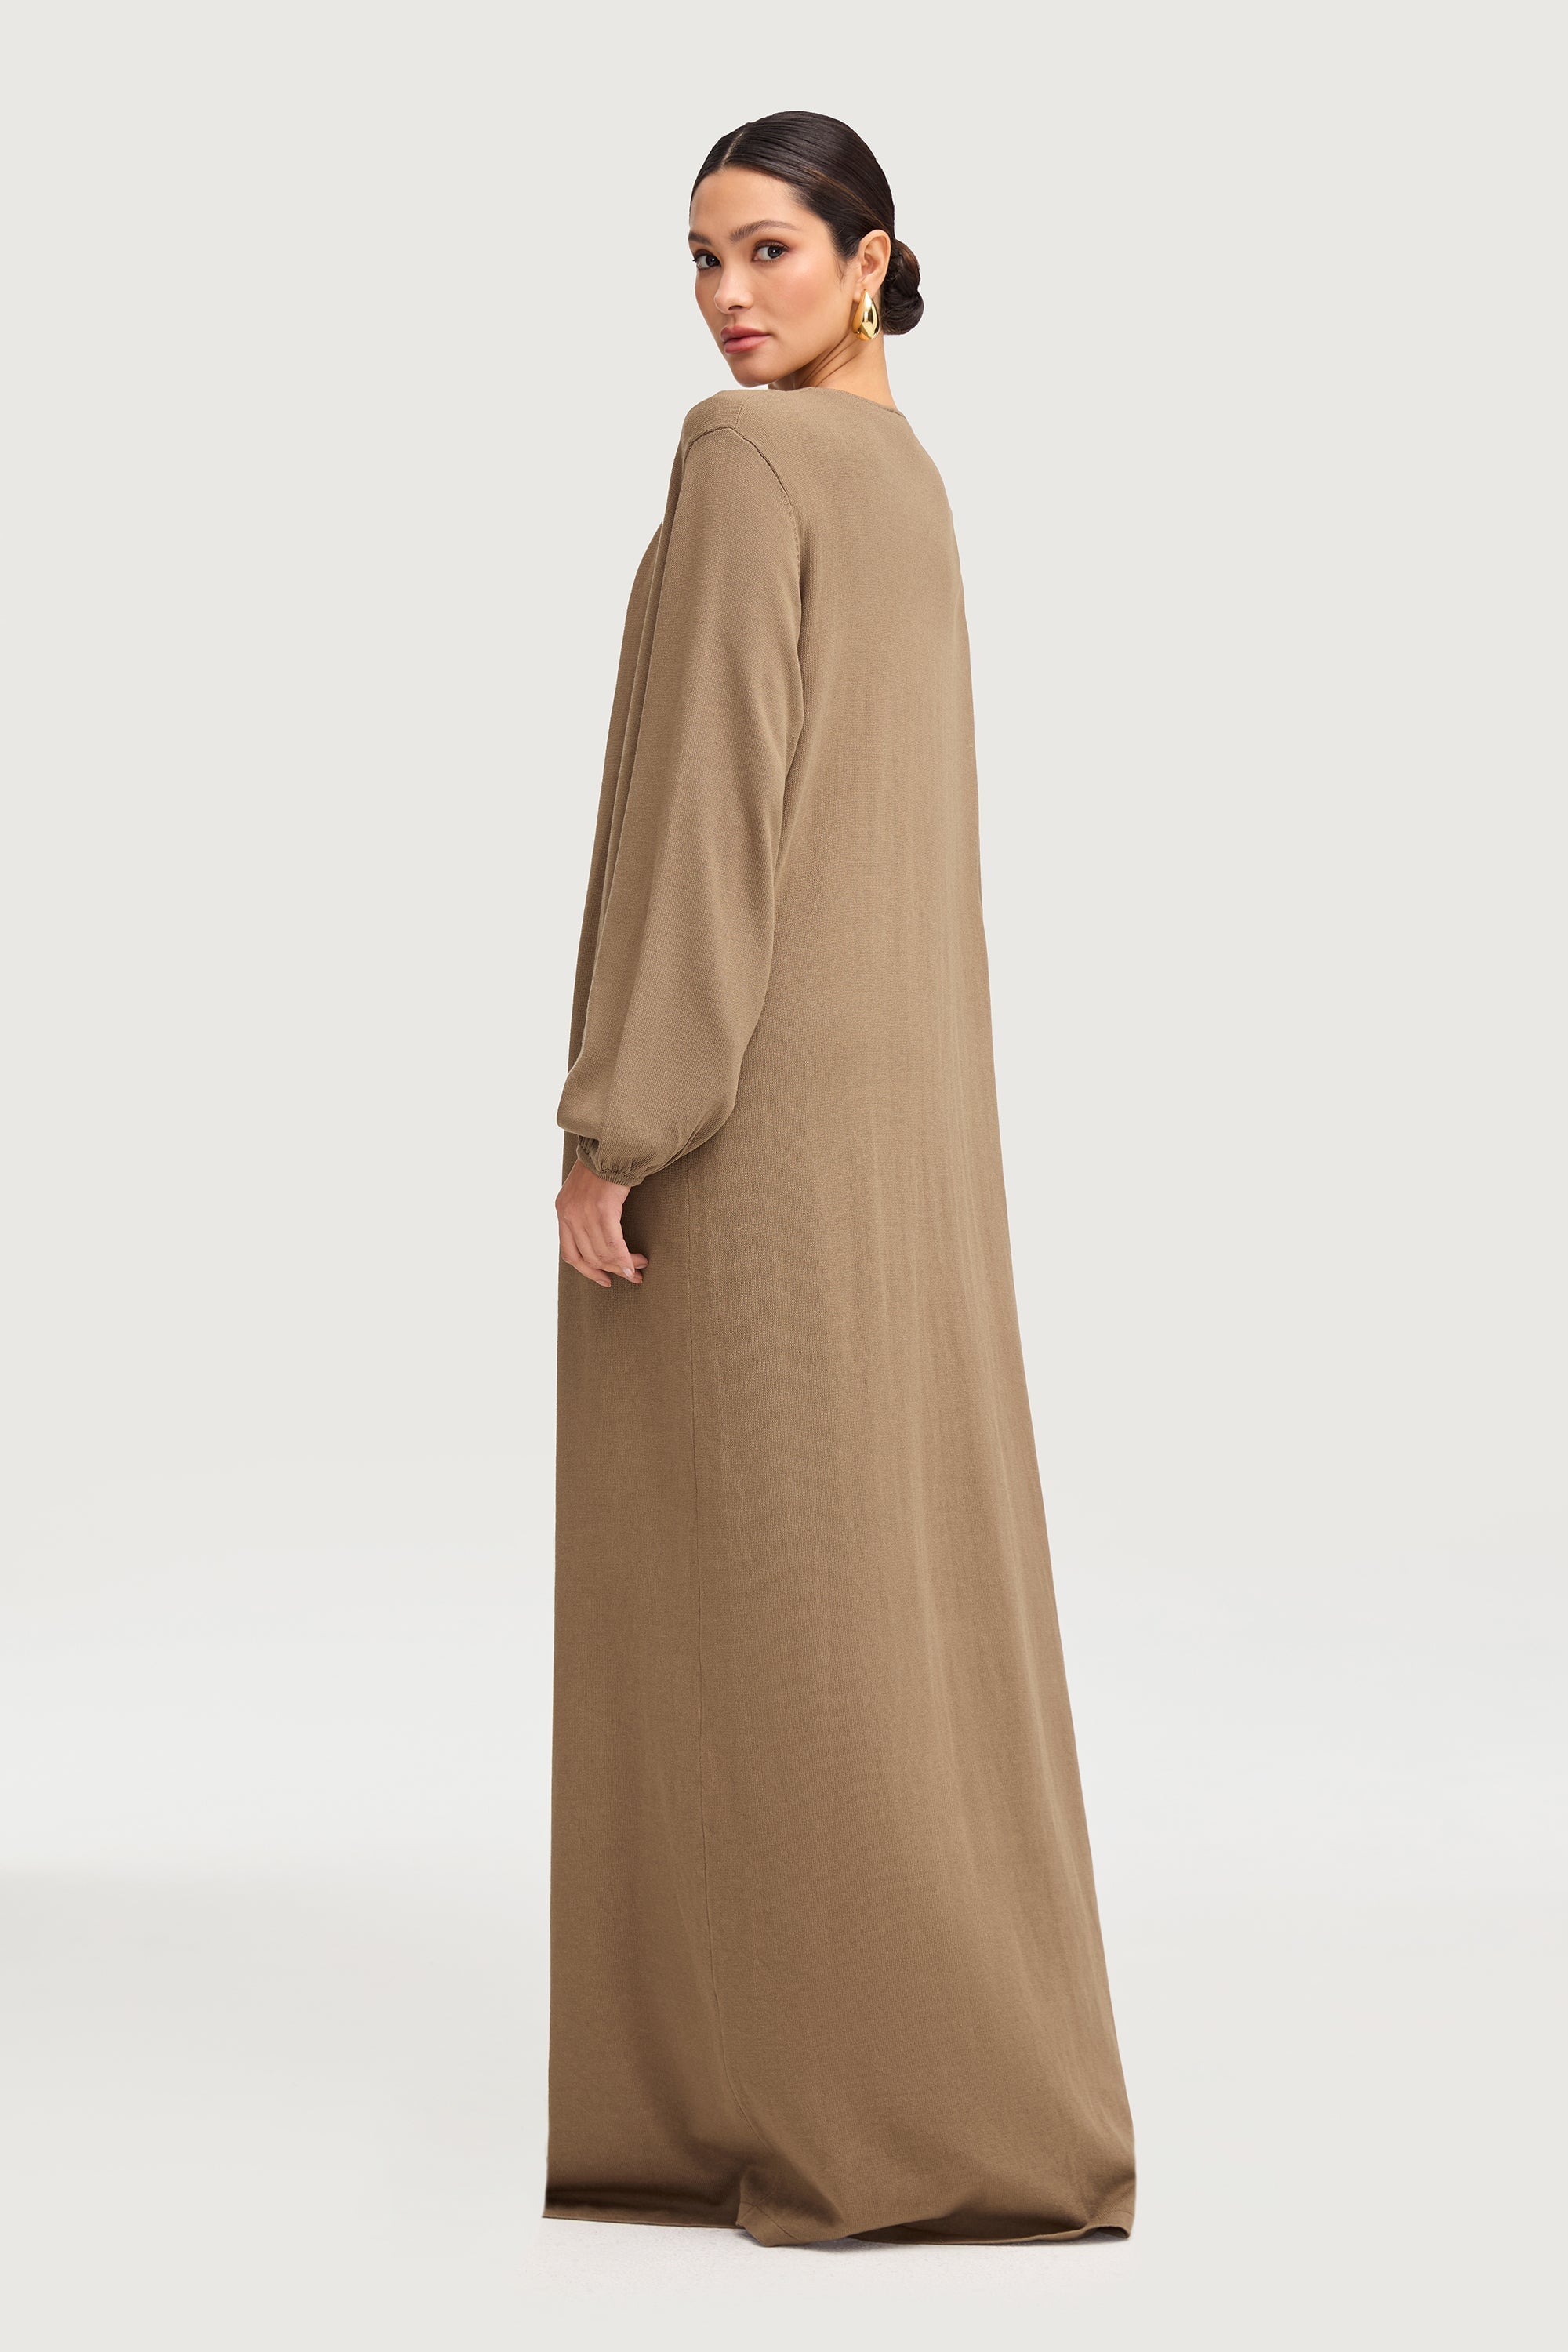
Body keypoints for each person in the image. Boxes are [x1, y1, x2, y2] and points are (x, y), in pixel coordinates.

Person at [546, 111, 1135, 2247]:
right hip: (911, 1113)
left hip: (754, 1109)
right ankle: (959, 2080)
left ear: (874, 260)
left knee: (758, 1600)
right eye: (702, 258)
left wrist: (621, 1117)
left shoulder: (747, 457)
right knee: (888, 1577)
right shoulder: (904, 476)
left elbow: (714, 809)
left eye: (773, 251)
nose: (728, 298)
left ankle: (816, 2102)